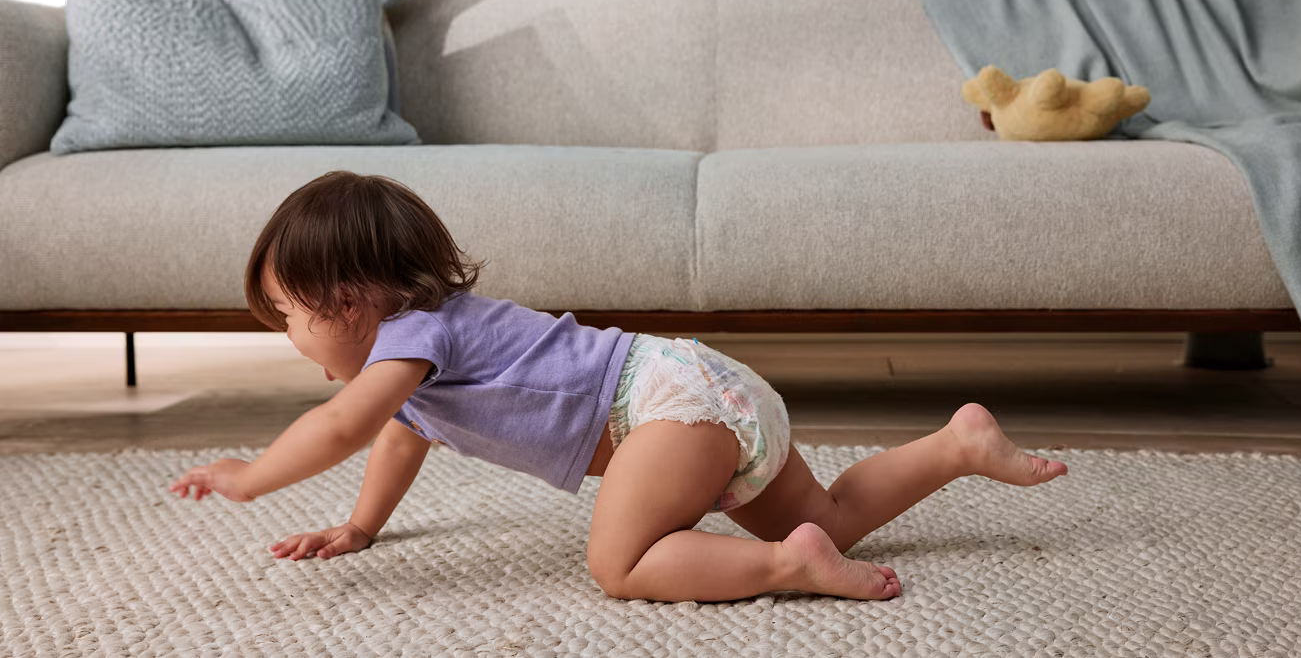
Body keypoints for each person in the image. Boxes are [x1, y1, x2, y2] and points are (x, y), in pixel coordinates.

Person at [170, 170, 1068, 603]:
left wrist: (251, 474)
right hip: (704, 386)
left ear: (349, 300)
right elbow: (401, 434)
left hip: (662, 408)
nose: (285, 333)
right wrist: (362, 526)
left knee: (619, 564)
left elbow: (339, 428)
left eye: (286, 312)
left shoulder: (414, 337)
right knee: (829, 511)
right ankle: (957, 445)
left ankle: (783, 567)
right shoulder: (415, 365)